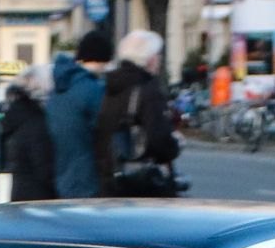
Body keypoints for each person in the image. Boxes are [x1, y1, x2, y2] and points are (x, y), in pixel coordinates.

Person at [94, 29, 179, 195]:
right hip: (143, 184)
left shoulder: (109, 88)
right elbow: (158, 140)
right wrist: (173, 144)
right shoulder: (147, 91)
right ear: (151, 58)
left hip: (113, 178)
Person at [49, 31, 110, 199]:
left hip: (62, 178)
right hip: (87, 180)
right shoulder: (93, 90)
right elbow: (107, 132)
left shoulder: (58, 89)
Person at [0, 63, 58, 201]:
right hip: (39, 203)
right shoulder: (36, 123)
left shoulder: (16, 118)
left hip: (21, 199)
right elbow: (45, 169)